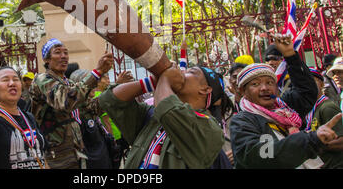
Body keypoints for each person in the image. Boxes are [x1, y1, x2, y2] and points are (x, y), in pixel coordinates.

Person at [229, 34, 338, 169]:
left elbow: (307, 92)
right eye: (255, 84)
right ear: (243, 91)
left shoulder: (285, 107)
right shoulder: (243, 120)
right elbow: (261, 154)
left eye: (270, 82)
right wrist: (309, 140)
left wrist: (290, 54)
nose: (264, 88)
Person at [98, 63, 225, 169]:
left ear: (205, 89)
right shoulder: (152, 116)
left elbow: (166, 109)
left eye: (191, 72)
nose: (182, 72)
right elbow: (111, 99)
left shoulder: (210, 129)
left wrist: (165, 79)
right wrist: (152, 82)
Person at [29, 38, 114, 169]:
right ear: (46, 60)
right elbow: (66, 101)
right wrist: (96, 73)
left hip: (76, 153)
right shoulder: (42, 80)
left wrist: (116, 92)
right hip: (54, 156)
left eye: (66, 53)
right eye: (57, 52)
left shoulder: (69, 84)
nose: (63, 56)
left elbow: (91, 109)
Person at [306, 68, 343, 168]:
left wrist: (316, 144)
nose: (308, 85)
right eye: (304, 82)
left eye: (312, 81)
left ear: (322, 84)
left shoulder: (327, 107)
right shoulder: (307, 109)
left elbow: (341, 142)